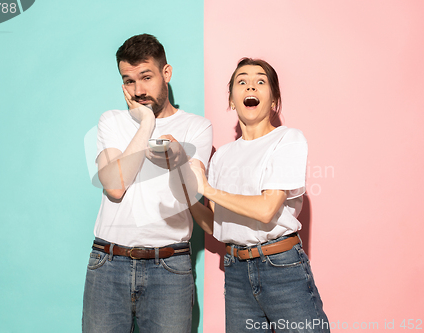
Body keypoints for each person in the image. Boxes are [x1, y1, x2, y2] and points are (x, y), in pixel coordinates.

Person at [82, 33, 212, 333]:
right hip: (108, 263)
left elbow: (193, 193)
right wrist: (147, 124)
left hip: (169, 267)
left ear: (166, 73)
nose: (138, 89)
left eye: (146, 77)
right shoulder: (112, 121)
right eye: (128, 80)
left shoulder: (196, 127)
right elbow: (114, 185)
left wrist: (179, 160)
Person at [191, 58, 330, 333]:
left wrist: (206, 189)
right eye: (241, 82)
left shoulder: (288, 139)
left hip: (281, 267)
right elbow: (215, 226)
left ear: (274, 99)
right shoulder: (222, 158)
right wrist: (185, 189)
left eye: (260, 81)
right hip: (236, 272)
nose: (250, 86)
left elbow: (267, 209)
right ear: (231, 100)